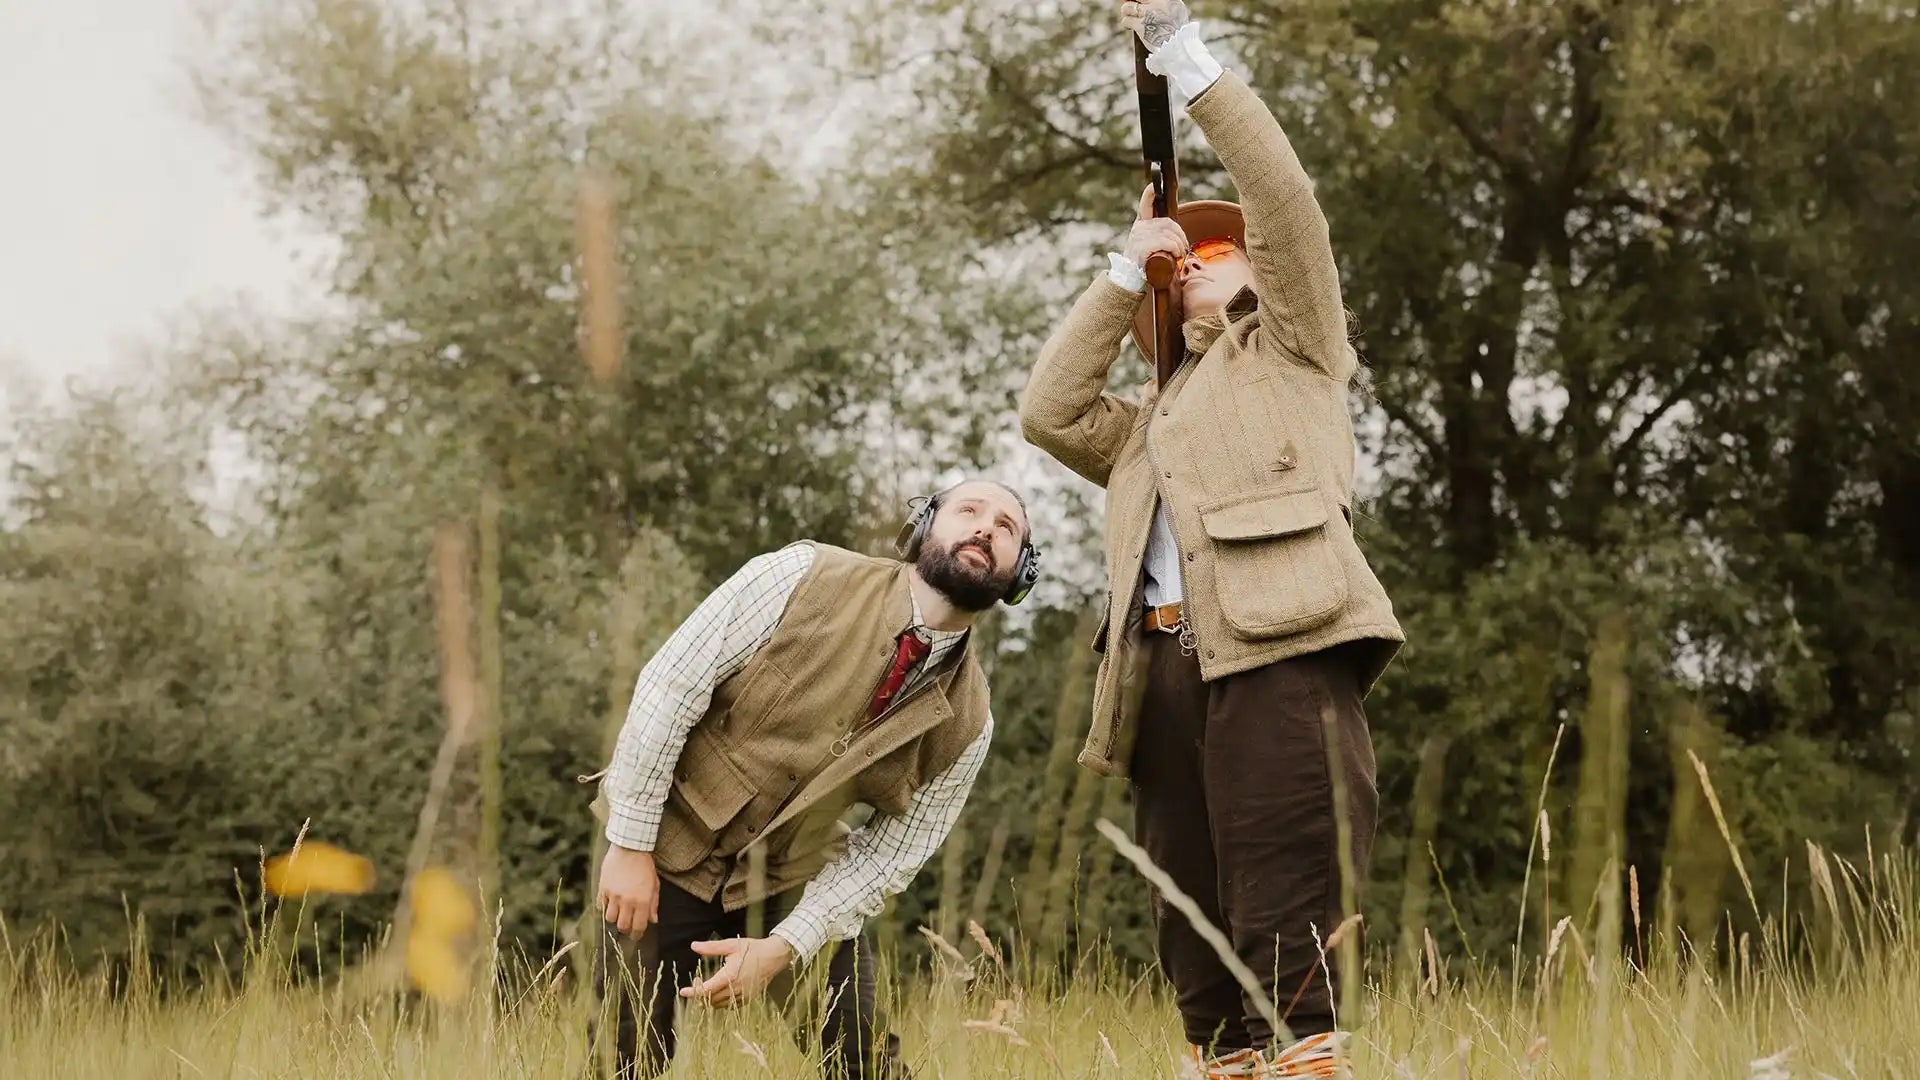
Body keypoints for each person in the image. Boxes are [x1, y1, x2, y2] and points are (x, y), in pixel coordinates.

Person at [1018, 3, 1404, 1077]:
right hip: (1157, 682)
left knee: (1288, 943)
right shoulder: (1149, 426)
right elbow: (1048, 412)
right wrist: (1118, 270)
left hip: (1279, 663)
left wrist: (1180, 56)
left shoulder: (1295, 351)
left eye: (1215, 250)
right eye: (1184, 257)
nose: (1198, 259)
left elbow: (1283, 198)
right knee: (1200, 968)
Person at [586, 479, 1039, 1079]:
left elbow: (886, 857)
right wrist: (630, 846)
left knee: (865, 1064)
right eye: (969, 510)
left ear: (1018, 576)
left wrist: (783, 947)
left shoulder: (971, 724)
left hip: (795, 878)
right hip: (664, 848)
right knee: (623, 1060)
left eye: (1007, 528)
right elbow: (670, 689)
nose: (985, 528)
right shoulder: (798, 574)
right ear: (925, 524)